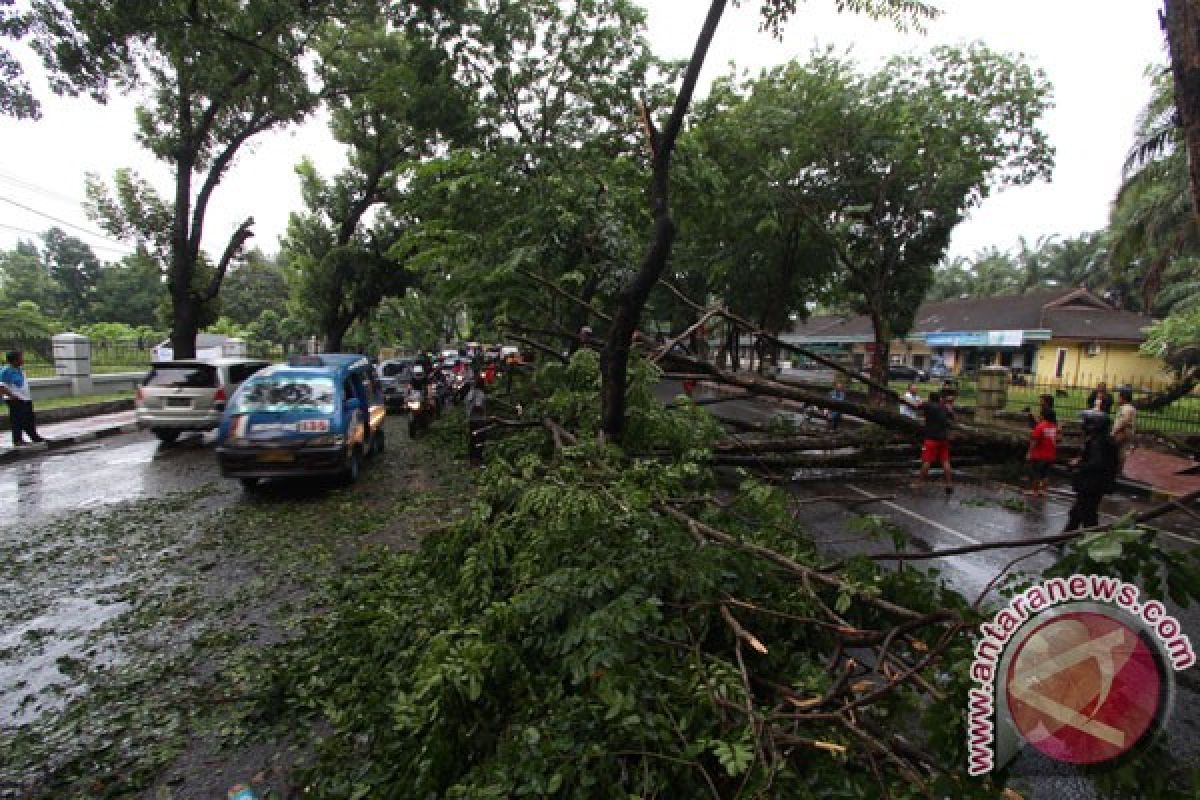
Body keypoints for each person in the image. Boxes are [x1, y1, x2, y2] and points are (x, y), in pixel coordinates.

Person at [1064, 410, 1120, 531]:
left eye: (1086, 422)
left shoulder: (1098, 442)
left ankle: (1093, 543)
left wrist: (1078, 464)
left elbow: (1096, 463)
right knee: (1077, 514)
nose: (1083, 425)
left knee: (1088, 517)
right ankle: (1060, 542)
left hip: (1091, 484)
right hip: (1095, 484)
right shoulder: (1104, 440)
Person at [0, 350, 46, 447]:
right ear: (14, 360)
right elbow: (1, 386)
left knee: (29, 418)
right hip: (15, 400)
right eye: (20, 357)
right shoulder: (6, 371)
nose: (22, 359)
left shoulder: (19, 369)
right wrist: (12, 396)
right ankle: (17, 440)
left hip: (25, 399)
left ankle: (34, 436)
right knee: (17, 420)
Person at [913, 390, 954, 493]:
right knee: (945, 461)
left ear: (930, 398)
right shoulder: (943, 407)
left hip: (931, 438)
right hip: (943, 438)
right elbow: (951, 416)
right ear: (939, 398)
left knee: (927, 461)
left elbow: (917, 406)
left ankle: (919, 483)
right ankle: (949, 484)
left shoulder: (928, 405)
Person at [1024, 408, 1058, 497]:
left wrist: (1029, 452)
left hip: (1039, 455)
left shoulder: (1040, 426)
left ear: (1043, 416)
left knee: (1036, 474)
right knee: (1046, 474)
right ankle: (1043, 491)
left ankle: (1034, 491)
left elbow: (1034, 441)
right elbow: (1058, 439)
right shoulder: (1054, 426)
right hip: (1050, 455)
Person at [1111, 387, 1137, 471]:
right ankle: (1118, 469)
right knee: (1121, 451)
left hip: (1122, 432)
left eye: (1119, 397)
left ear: (1123, 398)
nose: (1117, 399)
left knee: (1118, 452)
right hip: (1126, 432)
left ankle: (1117, 469)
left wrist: (1114, 432)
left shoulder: (1126, 409)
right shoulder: (1129, 408)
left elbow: (1123, 422)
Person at [464, 380, 488, 465]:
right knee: (480, 440)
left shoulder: (470, 393)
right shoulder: (480, 393)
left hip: (471, 420)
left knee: (472, 440)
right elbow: (478, 405)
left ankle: (472, 459)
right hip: (479, 421)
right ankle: (478, 459)